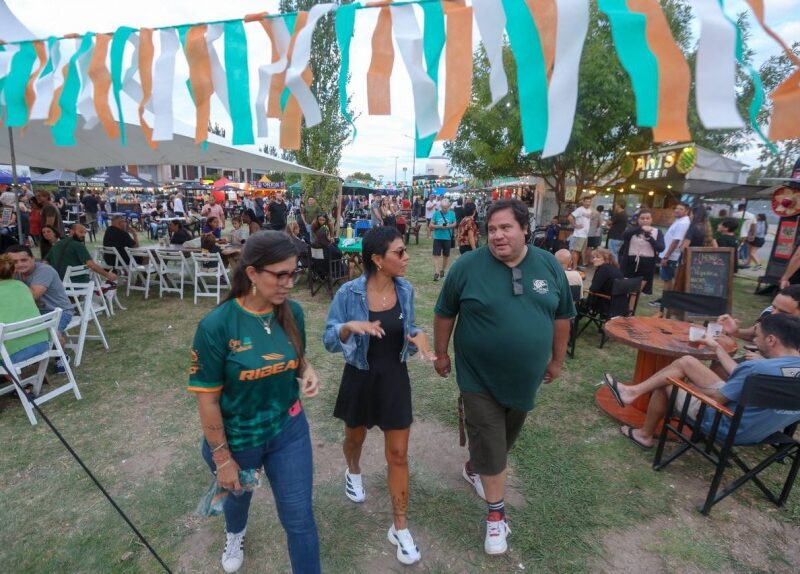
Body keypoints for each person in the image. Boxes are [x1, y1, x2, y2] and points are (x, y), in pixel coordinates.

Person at [433, 199, 575, 555]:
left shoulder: (548, 265)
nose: (497, 235)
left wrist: (556, 361)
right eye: (492, 229)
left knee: (503, 439)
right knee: (491, 438)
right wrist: (440, 353)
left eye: (505, 227)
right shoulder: (466, 267)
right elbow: (444, 312)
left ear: (525, 228)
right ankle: (497, 517)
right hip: (476, 376)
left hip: (524, 380)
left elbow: (562, 317)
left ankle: (474, 466)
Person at [188, 231, 321, 574]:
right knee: (238, 495)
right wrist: (223, 459)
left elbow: (297, 357)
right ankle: (235, 533)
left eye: (294, 273)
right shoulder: (217, 326)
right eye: (280, 274)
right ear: (251, 273)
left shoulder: (292, 313)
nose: (289, 283)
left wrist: (307, 370)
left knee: (299, 518)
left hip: (287, 430)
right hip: (238, 437)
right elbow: (208, 400)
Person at [323, 226, 433, 566]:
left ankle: (399, 527)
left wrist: (420, 338)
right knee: (354, 439)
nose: (406, 257)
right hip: (360, 377)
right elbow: (329, 338)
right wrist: (349, 327)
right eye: (399, 252)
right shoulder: (349, 293)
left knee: (398, 455)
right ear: (377, 259)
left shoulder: (406, 289)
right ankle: (352, 471)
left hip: (394, 381)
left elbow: (408, 327)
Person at [606, 313, 800, 450]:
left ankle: (644, 435)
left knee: (667, 382)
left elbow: (718, 398)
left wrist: (684, 385)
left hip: (726, 424)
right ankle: (632, 392)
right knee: (687, 362)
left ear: (772, 340)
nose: (754, 342)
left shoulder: (758, 368)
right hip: (761, 428)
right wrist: (716, 347)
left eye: (757, 337)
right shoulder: (767, 370)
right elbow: (741, 376)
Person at [0, 254, 50, 381]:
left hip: (12, 354)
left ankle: (20, 385)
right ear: (14, 271)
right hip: (42, 344)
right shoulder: (22, 286)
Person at [6, 244, 73, 339]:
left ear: (33, 259)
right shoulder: (14, 272)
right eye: (14, 262)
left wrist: (11, 278)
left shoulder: (44, 270)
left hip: (57, 312)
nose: (19, 264)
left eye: (23, 260)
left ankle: (61, 353)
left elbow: (33, 296)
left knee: (47, 337)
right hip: (32, 313)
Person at [717, 285, 800, 343]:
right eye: (774, 307)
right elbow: (754, 334)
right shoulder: (768, 313)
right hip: (762, 362)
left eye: (783, 312)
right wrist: (735, 331)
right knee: (719, 367)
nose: (774, 314)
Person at [46, 224, 118, 284]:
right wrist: (108, 275)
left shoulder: (57, 244)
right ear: (72, 231)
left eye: (85, 233)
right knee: (92, 275)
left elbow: (45, 262)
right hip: (77, 282)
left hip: (58, 282)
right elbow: (91, 265)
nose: (83, 235)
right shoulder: (78, 245)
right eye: (81, 232)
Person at [650, 202, 690, 306]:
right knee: (667, 279)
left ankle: (666, 301)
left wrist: (667, 256)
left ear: (686, 211)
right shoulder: (679, 221)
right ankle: (667, 299)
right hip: (669, 255)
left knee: (667, 279)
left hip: (672, 256)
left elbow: (676, 240)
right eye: (676, 208)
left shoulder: (683, 223)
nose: (677, 210)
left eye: (681, 209)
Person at [619, 209, 664, 295]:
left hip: (647, 264)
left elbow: (661, 248)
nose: (645, 220)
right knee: (626, 287)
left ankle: (631, 307)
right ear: (638, 219)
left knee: (637, 290)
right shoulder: (632, 230)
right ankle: (625, 305)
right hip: (630, 262)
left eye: (648, 218)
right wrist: (640, 228)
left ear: (651, 219)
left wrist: (650, 239)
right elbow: (624, 235)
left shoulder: (657, 232)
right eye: (642, 218)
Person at [583, 248, 623, 316]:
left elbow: (593, 289)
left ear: (606, 259)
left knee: (579, 302)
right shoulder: (615, 268)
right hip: (618, 304)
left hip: (604, 303)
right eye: (593, 257)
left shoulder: (603, 269)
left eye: (598, 257)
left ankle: (573, 323)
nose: (594, 259)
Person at [430, 199, 457, 281]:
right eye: (443, 208)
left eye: (446, 208)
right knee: (436, 255)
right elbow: (430, 225)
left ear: (449, 206)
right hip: (438, 237)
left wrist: (449, 226)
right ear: (441, 207)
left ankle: (443, 270)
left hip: (447, 238)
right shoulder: (436, 214)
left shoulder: (452, 214)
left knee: (446, 255)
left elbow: (455, 223)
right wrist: (439, 226)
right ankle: (436, 272)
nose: (444, 209)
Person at [567, 196, 592, 270]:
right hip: (579, 234)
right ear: (583, 202)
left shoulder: (589, 210)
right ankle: (574, 267)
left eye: (589, 202)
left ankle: (574, 266)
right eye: (586, 201)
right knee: (576, 251)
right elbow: (570, 217)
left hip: (585, 235)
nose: (588, 203)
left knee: (580, 251)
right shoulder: (579, 209)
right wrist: (575, 225)